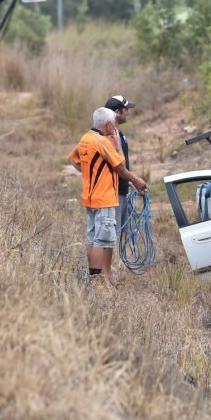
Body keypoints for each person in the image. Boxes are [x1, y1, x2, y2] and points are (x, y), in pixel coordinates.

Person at [69, 106, 147, 287]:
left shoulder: (85, 139)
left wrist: (90, 171)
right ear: (109, 124)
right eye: (113, 125)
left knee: (92, 238)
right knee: (102, 240)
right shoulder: (102, 141)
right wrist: (136, 180)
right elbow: (120, 166)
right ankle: (97, 282)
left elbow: (73, 159)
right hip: (104, 198)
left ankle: (94, 277)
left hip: (89, 198)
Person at [105, 94, 137, 231]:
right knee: (111, 236)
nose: (128, 112)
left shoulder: (120, 134)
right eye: (126, 109)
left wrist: (128, 180)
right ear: (117, 112)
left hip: (122, 191)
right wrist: (135, 180)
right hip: (113, 194)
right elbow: (117, 165)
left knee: (123, 233)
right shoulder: (108, 136)